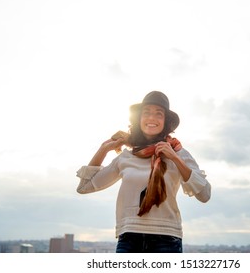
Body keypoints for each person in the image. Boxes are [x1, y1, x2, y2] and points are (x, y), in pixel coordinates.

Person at [76, 91, 211, 253]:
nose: (152, 118)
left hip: (166, 238)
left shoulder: (177, 152)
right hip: (129, 238)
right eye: (146, 112)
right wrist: (103, 149)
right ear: (138, 119)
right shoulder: (126, 156)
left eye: (158, 114)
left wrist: (175, 158)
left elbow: (204, 194)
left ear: (165, 121)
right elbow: (84, 187)